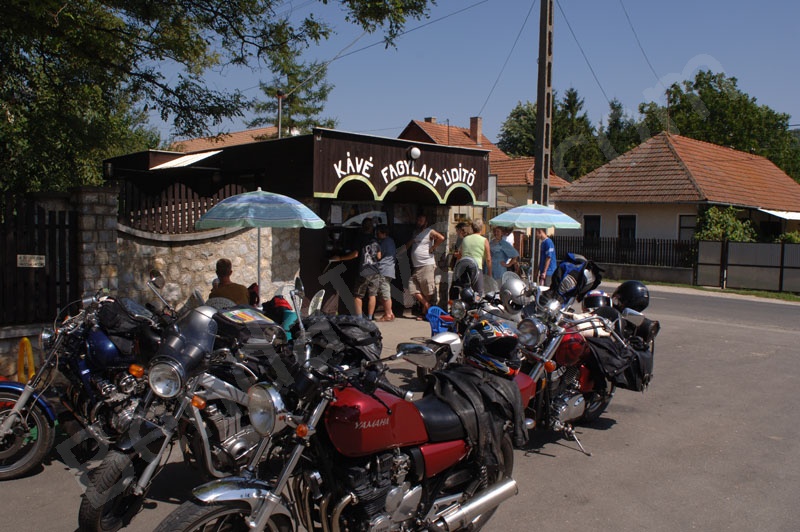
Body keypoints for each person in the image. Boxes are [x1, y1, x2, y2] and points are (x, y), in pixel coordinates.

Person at [332, 218, 382, 320]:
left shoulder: (360, 238)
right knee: (372, 295)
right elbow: (379, 256)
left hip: (364, 270)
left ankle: (359, 319)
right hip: (375, 271)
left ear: (362, 227)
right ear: (372, 228)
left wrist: (340, 258)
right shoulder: (375, 240)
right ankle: (370, 317)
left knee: (358, 296)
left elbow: (354, 254)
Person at [407, 213, 445, 320]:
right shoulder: (415, 232)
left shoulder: (429, 231)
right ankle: (427, 306)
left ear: (425, 222)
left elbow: (441, 238)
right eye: (418, 220)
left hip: (426, 264)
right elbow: (409, 245)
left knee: (427, 290)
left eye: (421, 220)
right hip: (417, 265)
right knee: (412, 287)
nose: (419, 222)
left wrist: (433, 247)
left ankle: (425, 313)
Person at [455, 218, 491, 294]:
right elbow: (488, 259)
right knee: (479, 292)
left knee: (465, 292)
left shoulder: (465, 239)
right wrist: (489, 273)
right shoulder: (484, 240)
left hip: (464, 267)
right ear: (481, 228)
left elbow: (460, 254)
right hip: (476, 267)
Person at [375, 224, 397, 322]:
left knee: (385, 293)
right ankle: (390, 313)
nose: (377, 235)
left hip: (384, 269)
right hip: (389, 269)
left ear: (383, 233)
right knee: (385, 291)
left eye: (378, 233)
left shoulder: (384, 242)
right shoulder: (391, 241)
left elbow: (379, 256)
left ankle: (388, 314)